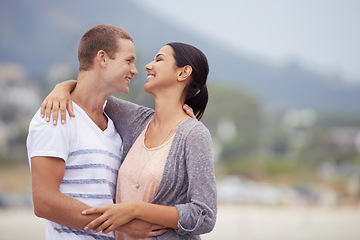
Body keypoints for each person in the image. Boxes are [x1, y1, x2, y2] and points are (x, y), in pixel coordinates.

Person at [42, 42, 217, 239]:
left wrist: (136, 210)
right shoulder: (136, 120)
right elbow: (88, 92)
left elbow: (204, 215)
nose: (148, 66)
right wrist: (61, 88)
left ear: (183, 73)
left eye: (159, 59)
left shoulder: (194, 134)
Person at [26, 24, 167, 240]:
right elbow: (44, 202)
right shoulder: (55, 116)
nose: (135, 70)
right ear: (102, 58)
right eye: (128, 61)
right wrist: (124, 225)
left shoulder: (114, 128)